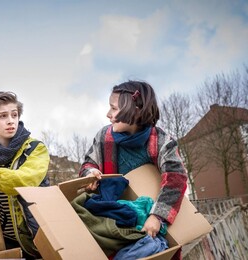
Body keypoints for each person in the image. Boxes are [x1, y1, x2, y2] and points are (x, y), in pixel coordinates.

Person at [79, 80, 187, 240]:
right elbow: (88, 164)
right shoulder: (103, 137)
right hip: (112, 223)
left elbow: (176, 179)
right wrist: (90, 172)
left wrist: (157, 216)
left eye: (114, 108)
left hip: (152, 228)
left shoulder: (161, 142)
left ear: (135, 111)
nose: (108, 114)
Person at [0, 91, 50, 259]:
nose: (10, 121)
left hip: (35, 241)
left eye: (14, 115)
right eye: (2, 116)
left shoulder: (36, 149)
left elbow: (25, 181)